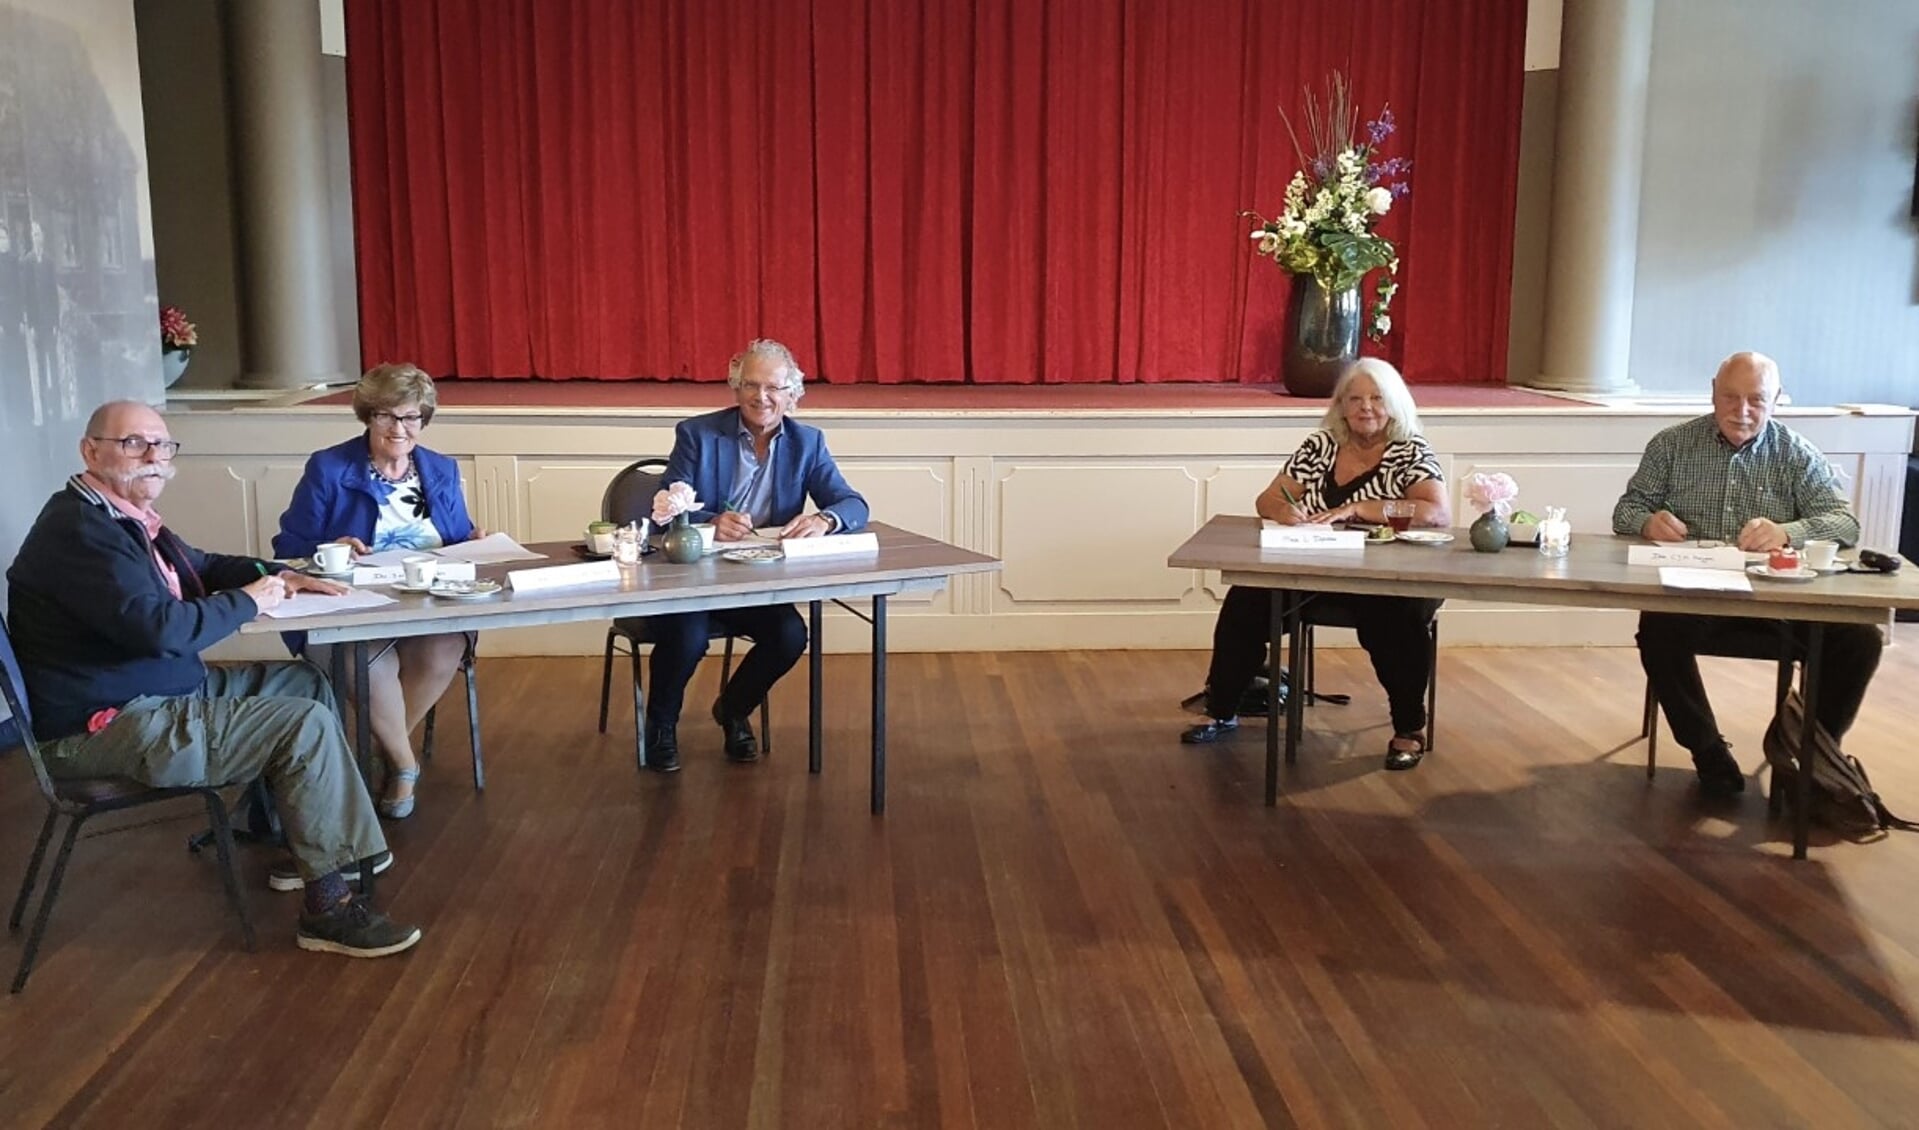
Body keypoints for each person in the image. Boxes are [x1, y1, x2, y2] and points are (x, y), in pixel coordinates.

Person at [6, 400, 420, 958]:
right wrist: (248, 602)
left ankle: (298, 840)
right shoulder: (80, 533)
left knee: (304, 685)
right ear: (91, 450)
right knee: (301, 724)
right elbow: (163, 631)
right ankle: (329, 909)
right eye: (134, 444)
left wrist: (283, 574)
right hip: (106, 725)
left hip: (153, 692)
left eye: (163, 445)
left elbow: (199, 565)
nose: (153, 456)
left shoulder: (116, 516)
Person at [1612, 350, 1879, 797]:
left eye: (1756, 400)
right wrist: (1647, 522)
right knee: (1656, 630)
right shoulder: (1671, 445)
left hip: (1777, 604)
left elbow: (1844, 523)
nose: (1742, 411)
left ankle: (1806, 752)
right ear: (1712, 394)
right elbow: (1627, 509)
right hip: (1692, 599)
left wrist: (1787, 531)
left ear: (1777, 400)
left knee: (1861, 638)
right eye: (1730, 398)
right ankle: (1708, 753)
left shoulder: (1797, 453)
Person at [1182, 358, 1450, 770]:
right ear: (1341, 405)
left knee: (1398, 621)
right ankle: (1222, 708)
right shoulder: (1321, 445)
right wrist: (1287, 512)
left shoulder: (1409, 448)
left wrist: (1360, 508)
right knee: (1246, 601)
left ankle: (1408, 727)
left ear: (1394, 404)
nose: (1366, 408)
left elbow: (1434, 513)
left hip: (1386, 576)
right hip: (1316, 567)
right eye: (1355, 398)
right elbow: (1267, 499)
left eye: (1377, 398)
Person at [622, 339, 869, 773]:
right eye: (751, 386)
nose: (762, 397)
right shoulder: (696, 434)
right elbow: (665, 511)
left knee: (790, 635)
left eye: (774, 387)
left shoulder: (807, 443)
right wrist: (710, 523)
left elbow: (853, 503)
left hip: (757, 582)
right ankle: (660, 725)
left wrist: (825, 520)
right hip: (692, 578)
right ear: (735, 389)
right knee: (688, 636)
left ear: (792, 395)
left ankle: (733, 710)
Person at [273, 363, 478, 819]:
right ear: (368, 416)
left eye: (410, 417)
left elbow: (457, 538)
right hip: (348, 608)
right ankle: (404, 765)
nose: (399, 428)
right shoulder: (329, 468)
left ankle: (363, 759)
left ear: (423, 420)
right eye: (387, 415)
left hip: (425, 605)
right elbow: (288, 547)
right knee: (365, 660)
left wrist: (475, 542)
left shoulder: (441, 470)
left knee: (447, 644)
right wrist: (331, 548)